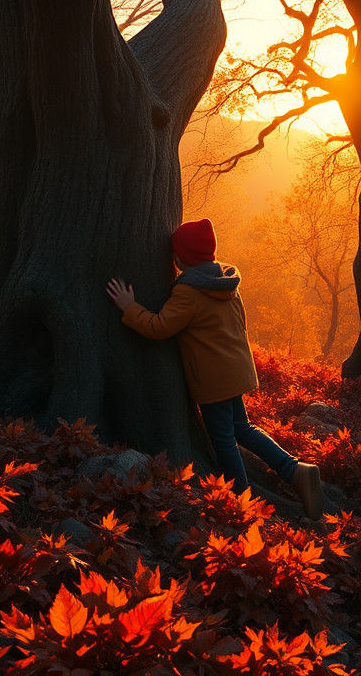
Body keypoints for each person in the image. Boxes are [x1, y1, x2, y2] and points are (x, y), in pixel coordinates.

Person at [106, 217, 324, 520]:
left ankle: (242, 501)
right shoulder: (226, 281)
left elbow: (158, 327)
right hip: (236, 370)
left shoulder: (188, 292)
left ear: (181, 258)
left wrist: (130, 306)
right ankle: (295, 470)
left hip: (214, 380)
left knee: (223, 440)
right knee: (242, 430)